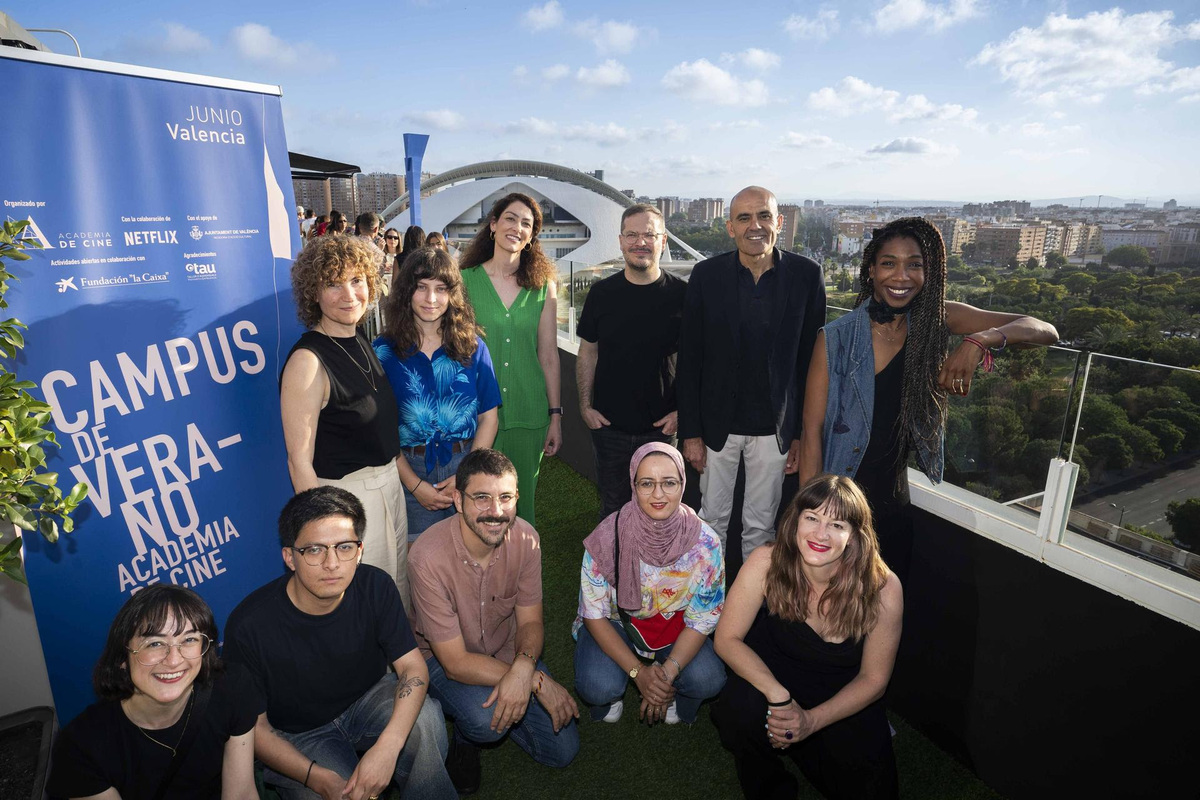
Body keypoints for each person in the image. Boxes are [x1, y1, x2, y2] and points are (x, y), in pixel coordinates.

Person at [799, 217, 1059, 579]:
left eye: (915, 265)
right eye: (889, 263)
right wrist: (809, 519)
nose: (901, 276)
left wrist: (978, 341)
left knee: (880, 615)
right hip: (837, 509)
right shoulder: (836, 338)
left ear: (929, 271)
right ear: (871, 270)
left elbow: (1044, 329)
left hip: (893, 507)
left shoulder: (937, 319)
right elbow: (811, 432)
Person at [223, 487, 455, 800]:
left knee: (425, 722)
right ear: (290, 557)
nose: (332, 564)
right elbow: (257, 731)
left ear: (359, 550)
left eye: (344, 547)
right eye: (315, 550)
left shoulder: (375, 586)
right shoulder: (248, 626)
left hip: (369, 699)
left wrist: (389, 746)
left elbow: (413, 667)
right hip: (298, 734)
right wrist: (318, 779)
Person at [713, 475, 903, 800]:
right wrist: (779, 697)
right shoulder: (767, 562)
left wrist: (811, 721)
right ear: (796, 520)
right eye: (812, 518)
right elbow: (726, 638)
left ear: (855, 536)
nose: (820, 534)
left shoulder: (883, 588)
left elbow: (874, 680)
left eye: (837, 524)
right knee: (737, 708)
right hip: (776, 679)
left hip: (839, 696)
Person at [408, 449, 579, 794]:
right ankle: (463, 733)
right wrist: (536, 681)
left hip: (504, 650)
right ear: (458, 500)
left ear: (517, 498)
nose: (496, 512)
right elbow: (455, 663)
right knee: (486, 723)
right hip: (440, 661)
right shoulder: (426, 557)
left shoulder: (527, 538)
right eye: (481, 498)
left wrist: (523, 667)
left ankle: (493, 706)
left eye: (505, 498)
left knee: (563, 751)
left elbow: (530, 622)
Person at [676, 185, 826, 562]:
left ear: (778, 222)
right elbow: (690, 358)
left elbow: (811, 361)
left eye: (763, 216)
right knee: (711, 520)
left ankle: (752, 610)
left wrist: (800, 436)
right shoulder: (706, 276)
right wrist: (691, 432)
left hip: (774, 430)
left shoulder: (807, 275)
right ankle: (706, 607)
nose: (754, 225)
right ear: (730, 227)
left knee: (761, 528)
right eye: (744, 217)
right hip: (716, 426)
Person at [279, 234, 410, 604]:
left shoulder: (358, 339)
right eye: (333, 284)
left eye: (357, 281)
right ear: (313, 294)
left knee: (394, 597)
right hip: (347, 502)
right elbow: (299, 462)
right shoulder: (307, 361)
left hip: (389, 490)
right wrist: (329, 535)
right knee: (365, 606)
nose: (349, 294)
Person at [47, 585, 258, 800]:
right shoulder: (81, 747)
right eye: (155, 643)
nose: (174, 660)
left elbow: (241, 794)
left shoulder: (232, 688)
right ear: (122, 658)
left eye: (189, 640)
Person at [573, 442, 726, 725]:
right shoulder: (607, 536)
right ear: (633, 485)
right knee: (598, 685)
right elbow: (594, 615)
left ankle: (672, 692)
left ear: (683, 483)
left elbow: (704, 617)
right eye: (647, 483)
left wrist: (666, 674)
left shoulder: (706, 543)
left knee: (709, 679)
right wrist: (638, 674)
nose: (658, 494)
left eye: (669, 482)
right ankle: (613, 693)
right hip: (618, 624)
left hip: (675, 628)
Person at [374, 246, 501, 541]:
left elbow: (489, 418)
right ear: (406, 291)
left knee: (470, 559)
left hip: (467, 462)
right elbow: (381, 429)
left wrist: (467, 474)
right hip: (407, 469)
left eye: (441, 289)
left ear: (452, 294)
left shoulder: (473, 347)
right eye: (421, 287)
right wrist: (415, 486)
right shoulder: (383, 351)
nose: (431, 299)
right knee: (420, 563)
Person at [577, 204, 687, 520]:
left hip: (662, 429)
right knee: (613, 509)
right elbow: (588, 352)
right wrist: (585, 407)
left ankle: (656, 569)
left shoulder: (684, 295)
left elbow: (696, 359)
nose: (641, 242)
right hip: (609, 427)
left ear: (663, 240)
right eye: (632, 235)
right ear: (621, 241)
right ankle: (615, 570)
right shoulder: (601, 294)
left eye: (649, 235)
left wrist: (682, 412)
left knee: (661, 511)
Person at [458, 193, 560, 525]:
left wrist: (555, 414)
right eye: (510, 219)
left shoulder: (543, 286)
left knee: (521, 505)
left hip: (529, 415)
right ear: (493, 225)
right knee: (476, 504)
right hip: (477, 414)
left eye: (526, 223)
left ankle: (521, 575)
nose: (517, 227)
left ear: (532, 236)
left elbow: (547, 354)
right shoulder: (464, 280)